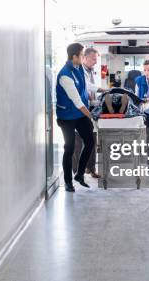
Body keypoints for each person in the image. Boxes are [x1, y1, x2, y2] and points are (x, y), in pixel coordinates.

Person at [56, 43, 94, 192]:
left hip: (78, 115)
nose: (83, 56)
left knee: (90, 141)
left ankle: (79, 174)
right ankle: (68, 181)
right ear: (75, 57)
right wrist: (91, 116)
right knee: (69, 147)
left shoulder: (78, 69)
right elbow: (77, 101)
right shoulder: (65, 75)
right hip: (67, 117)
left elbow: (85, 88)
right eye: (82, 54)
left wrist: (101, 90)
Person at [72, 48, 103, 179]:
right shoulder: (77, 71)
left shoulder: (92, 71)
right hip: (79, 110)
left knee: (92, 138)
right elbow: (86, 86)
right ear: (84, 57)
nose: (96, 62)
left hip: (91, 109)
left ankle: (91, 168)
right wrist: (101, 90)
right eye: (93, 59)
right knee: (77, 141)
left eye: (96, 59)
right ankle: (75, 171)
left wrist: (97, 102)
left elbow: (91, 90)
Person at [135, 60, 149, 128]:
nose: (146, 72)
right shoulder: (139, 81)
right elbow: (136, 96)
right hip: (145, 112)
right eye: (144, 70)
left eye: (148, 70)